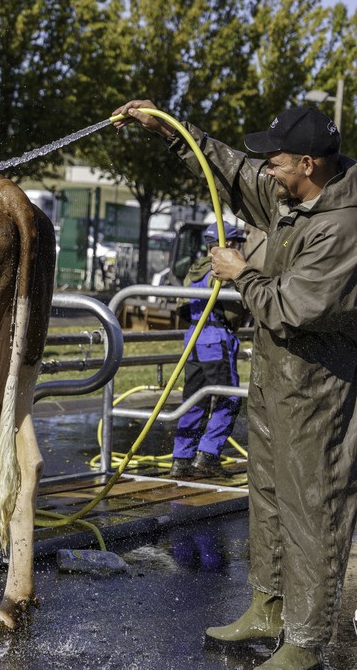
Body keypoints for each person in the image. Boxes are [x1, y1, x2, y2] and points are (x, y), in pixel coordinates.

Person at [112, 100, 357, 670]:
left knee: (312, 507)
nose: (266, 170)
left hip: (320, 385)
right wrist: (170, 130)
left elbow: (291, 307)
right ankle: (267, 607)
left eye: (275, 162)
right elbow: (230, 166)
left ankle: (306, 638)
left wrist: (239, 272)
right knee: (268, 493)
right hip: (277, 375)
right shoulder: (290, 192)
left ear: (307, 162)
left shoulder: (343, 227)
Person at [170, 220, 246, 480]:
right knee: (229, 399)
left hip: (193, 341)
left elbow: (180, 307)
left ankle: (181, 459)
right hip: (216, 341)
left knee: (193, 400)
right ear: (232, 244)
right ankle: (208, 456)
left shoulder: (195, 269)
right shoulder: (224, 271)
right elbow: (236, 312)